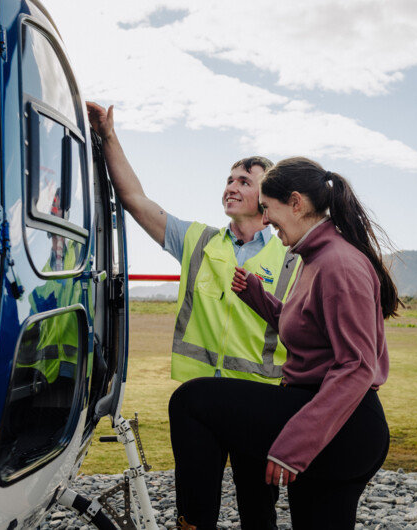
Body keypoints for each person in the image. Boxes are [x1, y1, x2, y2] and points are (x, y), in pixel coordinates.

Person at [86, 102, 299, 529]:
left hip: (256, 403)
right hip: (199, 402)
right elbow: (134, 199)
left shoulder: (292, 258)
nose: (231, 187)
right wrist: (108, 134)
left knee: (259, 513)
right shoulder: (198, 240)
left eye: (244, 181)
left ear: (267, 197)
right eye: (229, 179)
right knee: (194, 513)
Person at [169, 157, 398, 530]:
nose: (266, 222)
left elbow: (356, 367)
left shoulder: (339, 264)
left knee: (192, 402)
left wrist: (294, 446)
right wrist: (260, 298)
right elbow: (308, 331)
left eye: (267, 210)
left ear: (295, 203)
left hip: (344, 425)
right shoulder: (314, 258)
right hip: (325, 414)